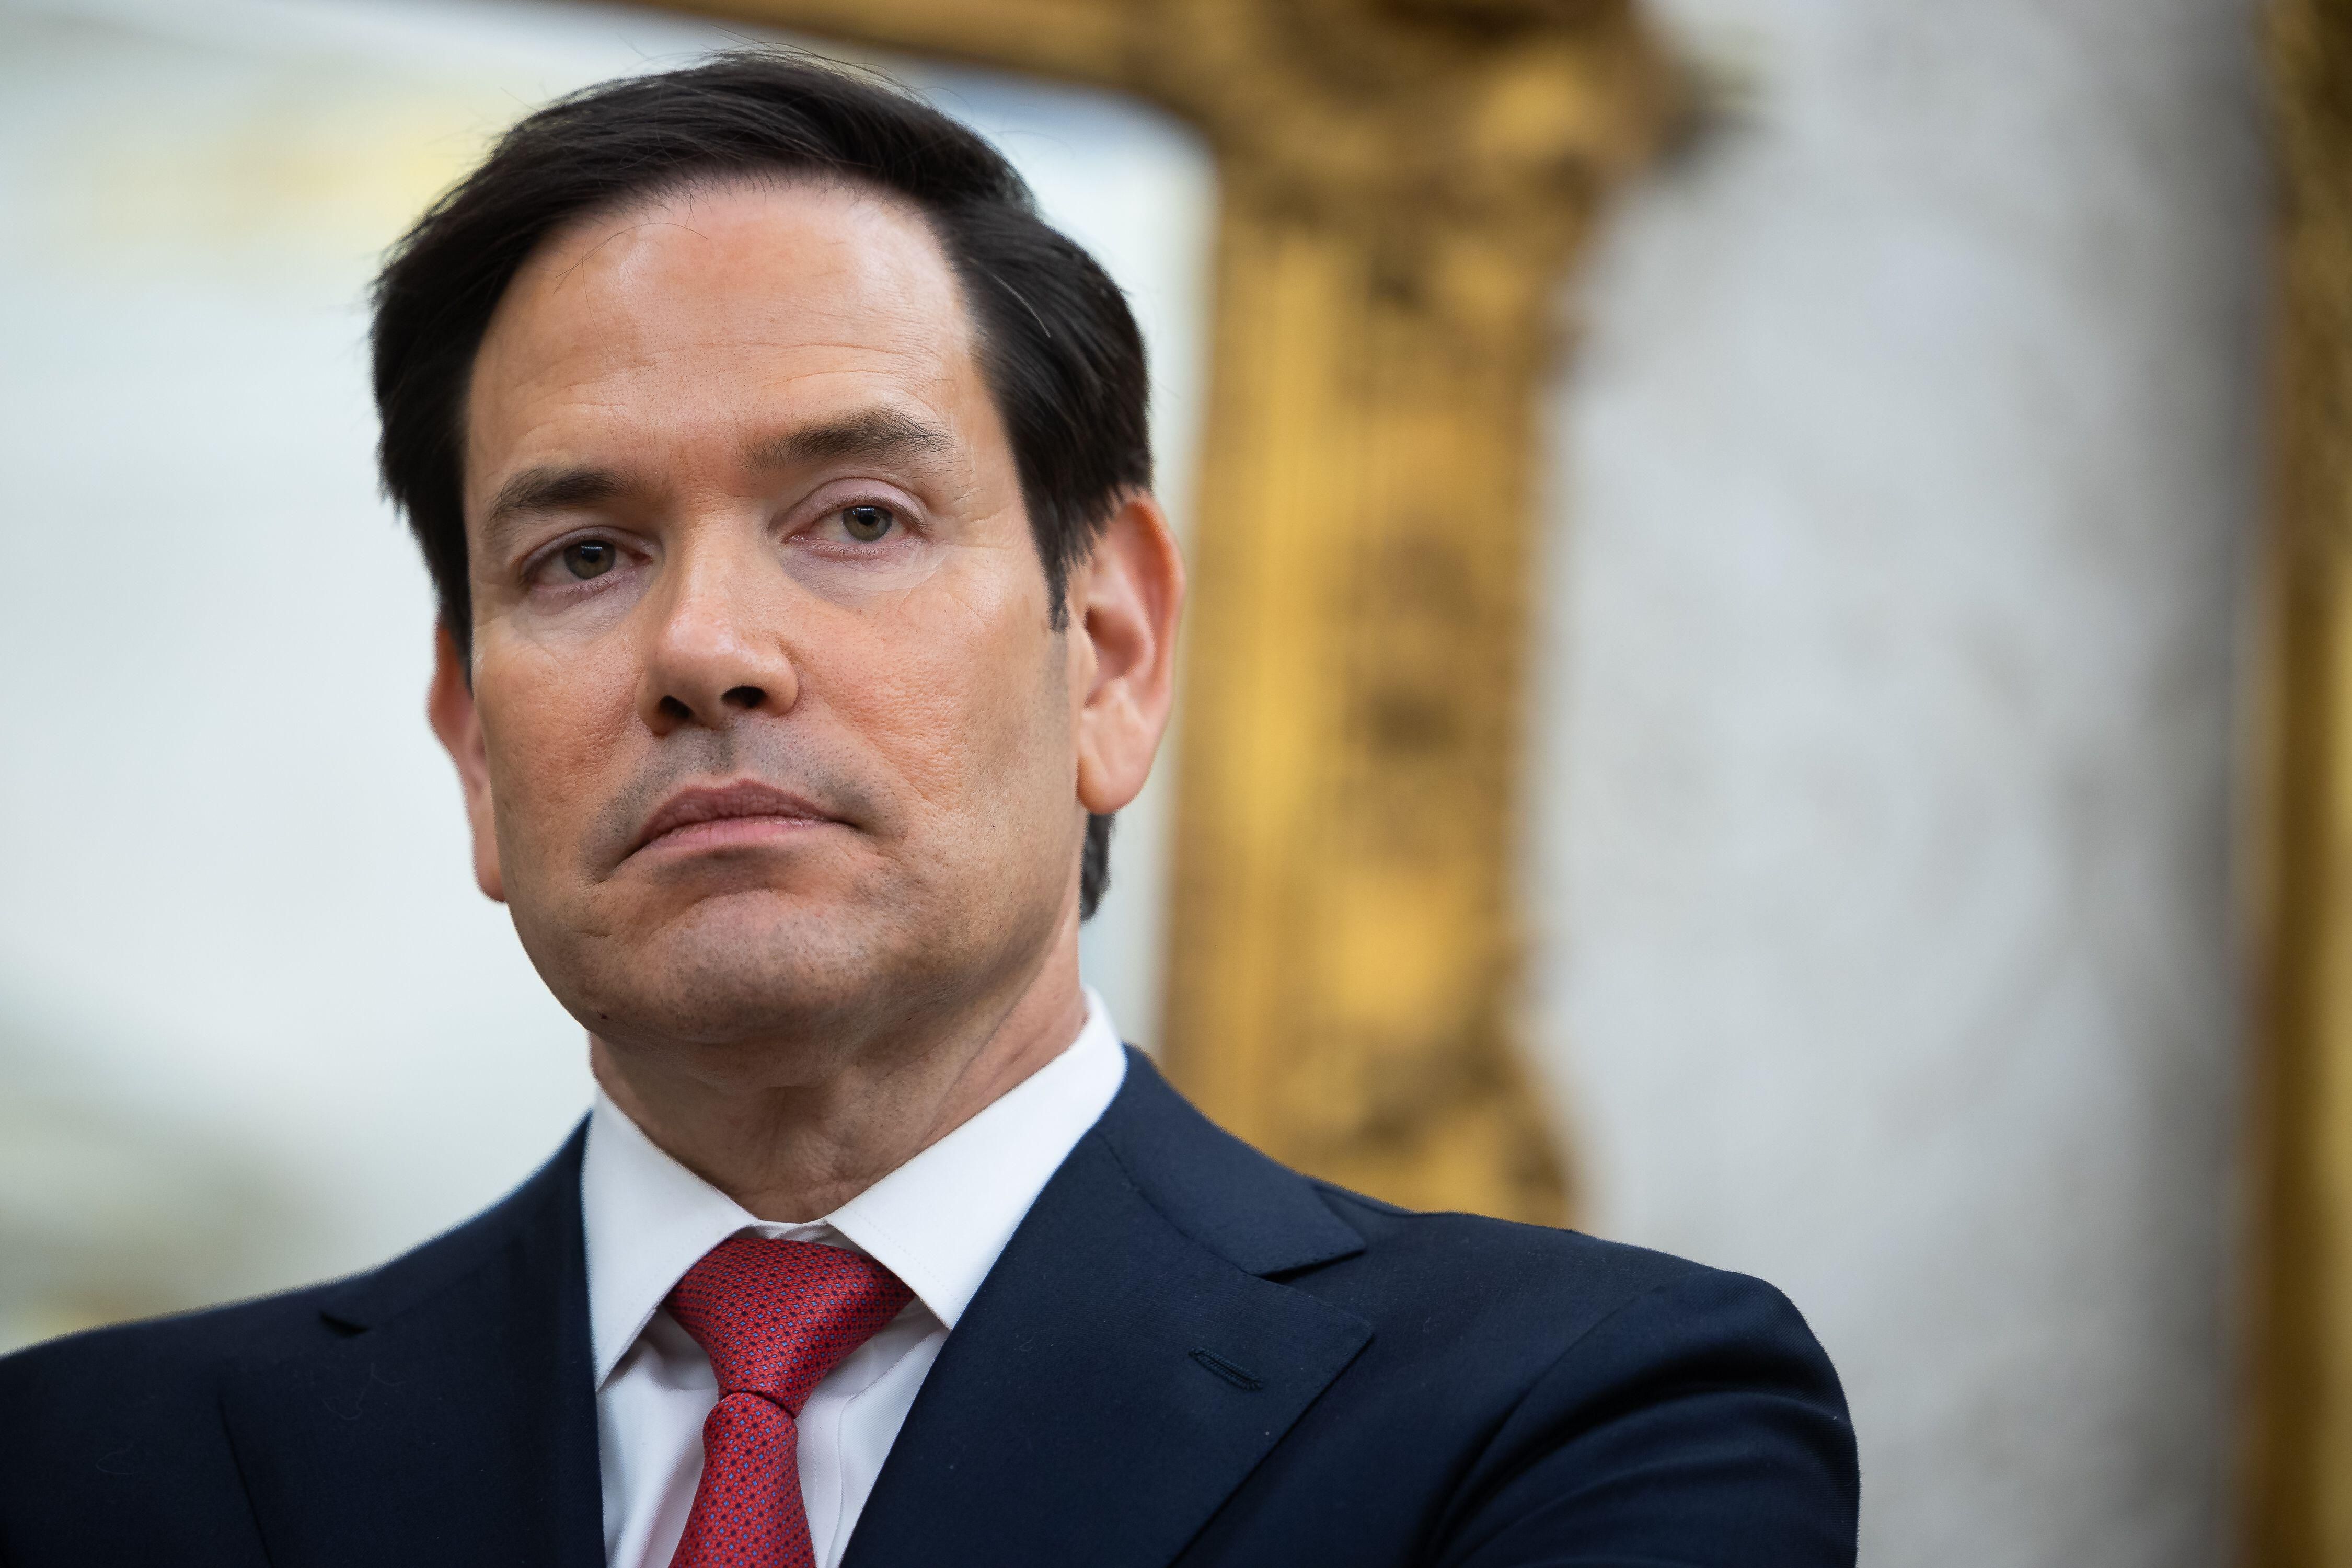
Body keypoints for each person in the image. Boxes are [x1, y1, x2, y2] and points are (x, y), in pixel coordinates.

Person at [0, 52, 1857, 1568]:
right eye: (583, 555)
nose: (705, 649)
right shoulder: (83, 1472)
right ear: (475, 745)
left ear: (1110, 653)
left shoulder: (1578, 1416)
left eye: (859, 520)